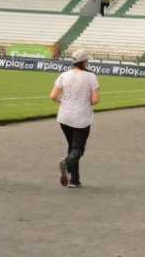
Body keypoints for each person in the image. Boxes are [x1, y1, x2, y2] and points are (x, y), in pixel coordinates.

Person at [50, 50, 100, 188]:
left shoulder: (64, 75)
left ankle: (74, 180)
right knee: (78, 149)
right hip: (81, 117)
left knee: (72, 147)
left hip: (64, 116)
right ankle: (66, 163)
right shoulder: (90, 77)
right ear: (84, 61)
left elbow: (53, 96)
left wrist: (64, 102)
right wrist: (84, 100)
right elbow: (95, 100)